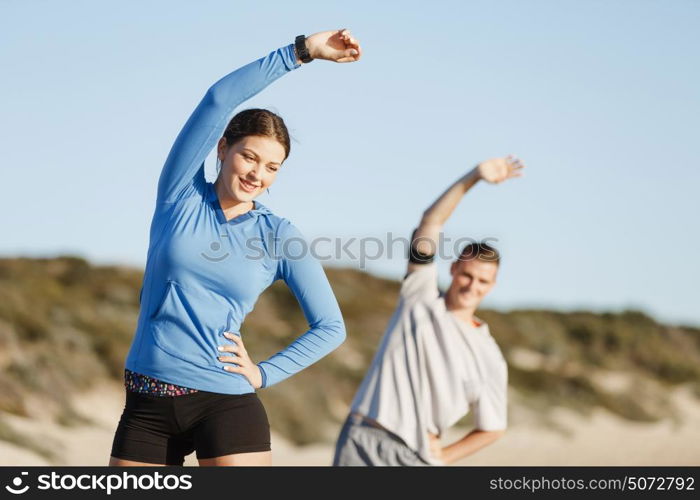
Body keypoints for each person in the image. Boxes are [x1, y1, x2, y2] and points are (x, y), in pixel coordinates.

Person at [109, 29, 362, 467]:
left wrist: (264, 373)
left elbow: (330, 327)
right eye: (249, 157)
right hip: (147, 402)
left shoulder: (279, 234)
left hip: (225, 402)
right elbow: (217, 101)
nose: (257, 174)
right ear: (223, 148)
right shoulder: (180, 195)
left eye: (272, 167)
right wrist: (300, 53)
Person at [332, 156, 524, 466]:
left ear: (492, 285)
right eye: (467, 275)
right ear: (453, 269)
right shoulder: (419, 296)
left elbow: (493, 427)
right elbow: (430, 223)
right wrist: (474, 177)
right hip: (363, 439)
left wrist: (446, 455)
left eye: (482, 280)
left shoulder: (489, 355)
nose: (471, 285)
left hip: (415, 457)